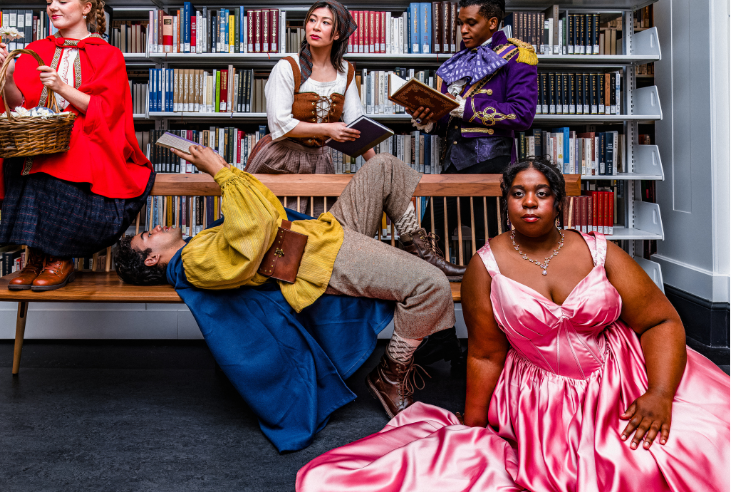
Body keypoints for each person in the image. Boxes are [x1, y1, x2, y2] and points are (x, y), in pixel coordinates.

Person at [296, 157, 730, 491]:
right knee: (614, 470)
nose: (529, 201)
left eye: (541, 193)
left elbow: (660, 321)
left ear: (558, 202)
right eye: (519, 193)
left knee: (700, 445)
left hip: (623, 375)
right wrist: (473, 427)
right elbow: (485, 353)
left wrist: (658, 394)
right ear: (505, 201)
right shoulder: (485, 266)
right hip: (541, 394)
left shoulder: (601, 252)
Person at [115, 145, 457, 432]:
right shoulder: (193, 262)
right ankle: (391, 374)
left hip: (317, 235)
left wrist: (227, 173)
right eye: (148, 236)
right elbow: (259, 229)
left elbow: (269, 212)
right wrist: (220, 171)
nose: (156, 226)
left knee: (384, 166)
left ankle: (419, 248)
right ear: (151, 259)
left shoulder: (197, 245)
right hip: (320, 259)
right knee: (431, 284)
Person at [0, 0, 153, 291]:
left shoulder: (108, 54)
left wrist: (63, 88)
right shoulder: (34, 50)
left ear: (86, 7)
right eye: (49, 1)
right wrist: (7, 77)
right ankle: (36, 257)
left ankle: (60, 257)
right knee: (28, 159)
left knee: (64, 159)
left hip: (88, 139)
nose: (53, 7)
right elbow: (19, 108)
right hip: (39, 138)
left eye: (62, 1)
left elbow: (108, 112)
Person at [409, 0, 538, 370]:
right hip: (453, 168)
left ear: (492, 22)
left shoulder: (518, 54)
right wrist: (430, 117)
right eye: (460, 22)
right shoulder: (455, 62)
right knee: (427, 254)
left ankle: (500, 345)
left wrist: (466, 106)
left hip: (492, 170)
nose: (462, 29)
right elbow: (451, 119)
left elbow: (521, 114)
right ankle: (440, 339)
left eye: (471, 22)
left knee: (494, 262)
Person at [245, 0, 370, 218]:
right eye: (312, 20)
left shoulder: (346, 72)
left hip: (320, 161)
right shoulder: (287, 67)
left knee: (317, 230)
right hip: (280, 158)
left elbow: (355, 124)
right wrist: (328, 130)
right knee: (273, 227)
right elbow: (279, 124)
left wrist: (378, 163)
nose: (315, 26)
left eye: (325, 22)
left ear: (338, 33)